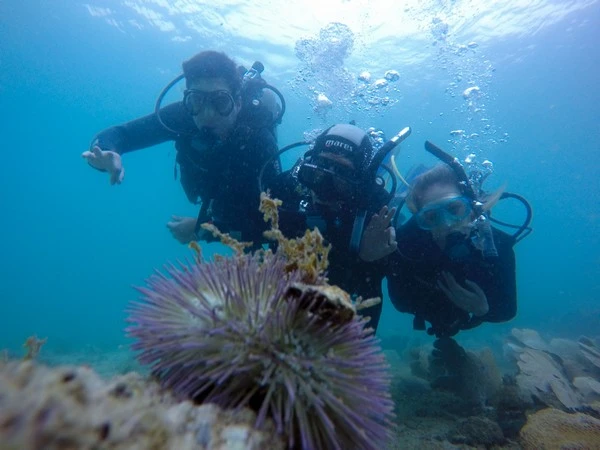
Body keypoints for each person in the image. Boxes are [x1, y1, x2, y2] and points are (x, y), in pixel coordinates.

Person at [82, 51, 282, 245]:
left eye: (220, 101)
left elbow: (276, 225)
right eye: (197, 100)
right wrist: (107, 152)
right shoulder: (184, 116)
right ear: (188, 100)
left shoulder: (259, 140)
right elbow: (120, 134)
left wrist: (202, 229)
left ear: (238, 103)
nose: (208, 113)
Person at [268, 123, 405, 331]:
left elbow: (381, 288)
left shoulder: (374, 210)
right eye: (318, 172)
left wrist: (371, 259)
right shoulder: (288, 188)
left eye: (340, 177)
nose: (323, 188)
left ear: (359, 182)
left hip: (344, 305)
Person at [386, 162, 518, 339]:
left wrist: (482, 310)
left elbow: (507, 311)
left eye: (454, 209)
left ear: (472, 209)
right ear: (422, 220)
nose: (447, 223)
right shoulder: (406, 243)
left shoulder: (496, 246)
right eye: (432, 216)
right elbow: (401, 302)